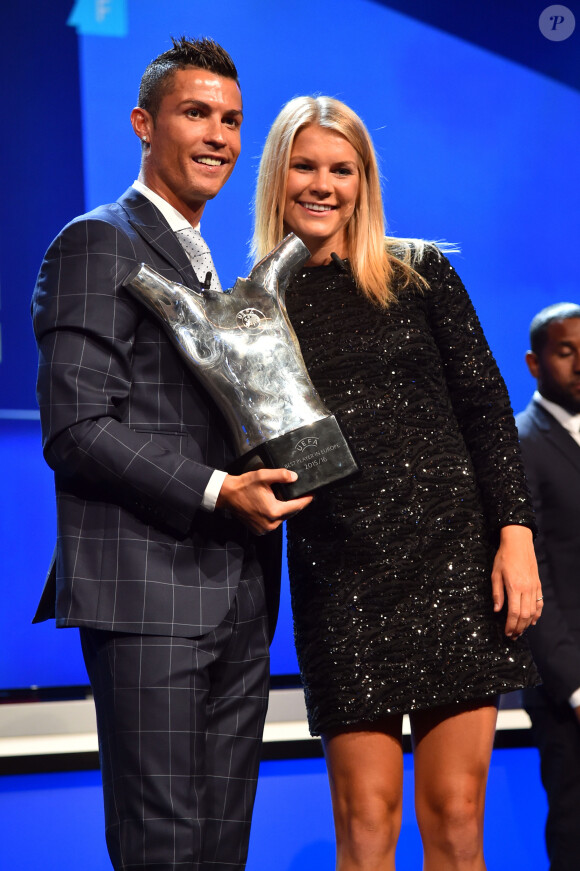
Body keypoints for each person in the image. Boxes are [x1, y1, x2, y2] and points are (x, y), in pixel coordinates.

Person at [31, 37, 312, 871]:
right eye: (197, 114)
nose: (219, 136)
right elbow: (76, 427)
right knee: (164, 846)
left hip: (238, 593)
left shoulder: (205, 264)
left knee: (221, 847)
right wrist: (222, 488)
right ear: (143, 124)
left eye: (231, 119)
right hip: (148, 596)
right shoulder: (97, 242)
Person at [252, 95, 543, 871]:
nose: (322, 185)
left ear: (364, 180)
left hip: (450, 563)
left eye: (341, 169)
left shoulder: (421, 274)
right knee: (366, 826)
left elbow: (486, 409)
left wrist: (515, 535)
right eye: (304, 167)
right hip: (339, 575)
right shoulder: (256, 305)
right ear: (277, 178)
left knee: (455, 818)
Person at [516, 303, 580, 871]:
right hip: (569, 692)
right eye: (567, 353)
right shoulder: (522, 444)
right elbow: (533, 578)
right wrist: (575, 685)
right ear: (536, 364)